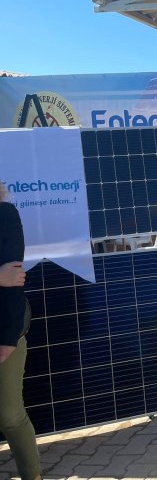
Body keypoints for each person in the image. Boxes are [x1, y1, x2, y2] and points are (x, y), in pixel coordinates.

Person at [0, 181, 42, 480]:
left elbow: (13, 281)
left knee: (9, 414)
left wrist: (7, 338)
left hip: (4, 327)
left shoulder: (5, 214)